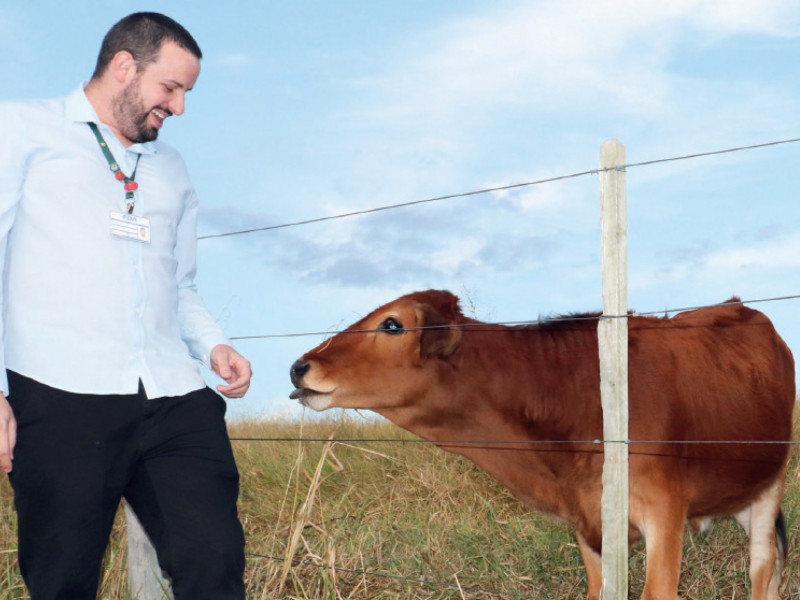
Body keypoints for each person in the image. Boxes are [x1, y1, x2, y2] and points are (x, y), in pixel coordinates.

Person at [0, 12, 251, 600]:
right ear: (123, 66)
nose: (180, 107)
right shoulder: (19, 130)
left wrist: (212, 342)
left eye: (187, 93)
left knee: (214, 559)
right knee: (63, 580)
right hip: (60, 395)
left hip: (172, 394)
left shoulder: (173, 170)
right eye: (171, 88)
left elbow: (180, 282)